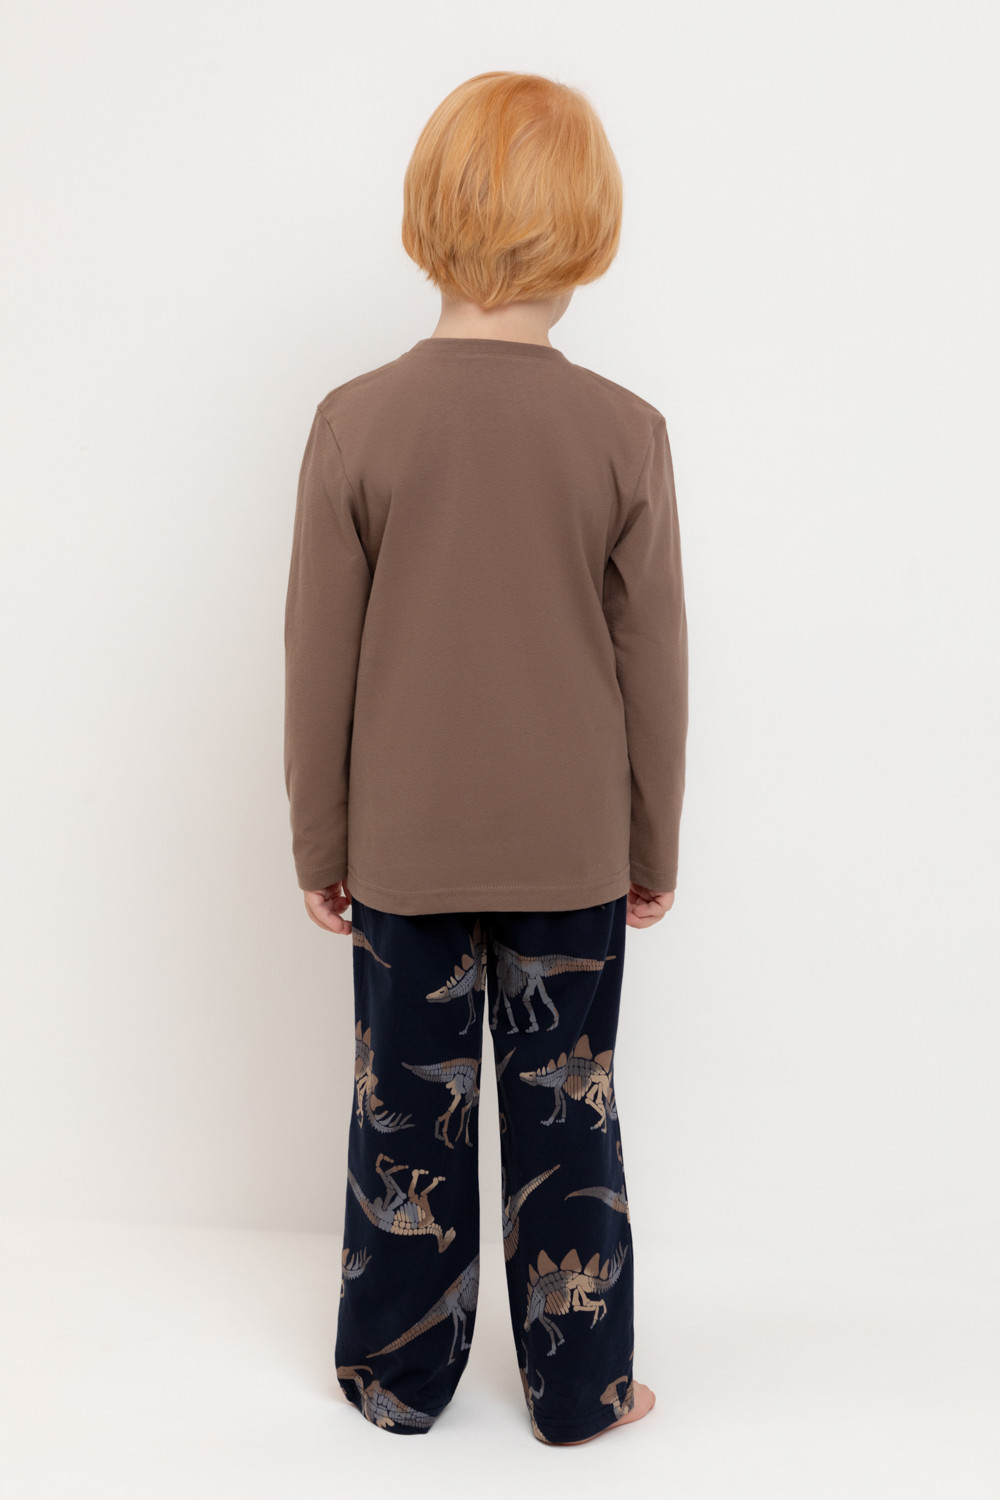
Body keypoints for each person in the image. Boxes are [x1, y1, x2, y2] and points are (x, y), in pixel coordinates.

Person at [283, 70, 688, 1445]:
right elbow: (654, 668)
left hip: (403, 849)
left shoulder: (357, 421)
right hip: (570, 849)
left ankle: (395, 1383)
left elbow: (318, 659)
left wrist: (322, 844)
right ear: (587, 232)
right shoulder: (625, 432)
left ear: (430, 219)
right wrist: (651, 844)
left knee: (404, 1116)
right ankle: (582, 1393)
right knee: (571, 1128)